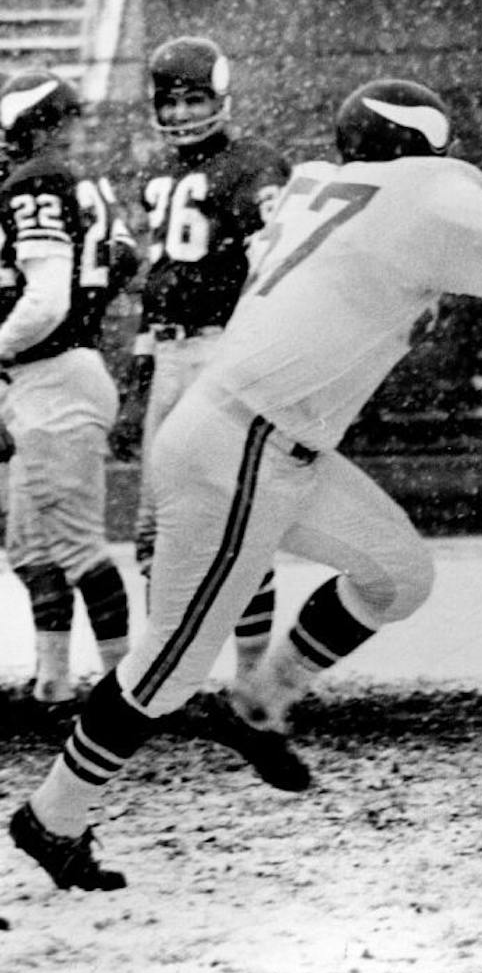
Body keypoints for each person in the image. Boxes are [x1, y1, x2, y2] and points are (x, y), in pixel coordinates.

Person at [8, 77, 482, 890]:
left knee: (397, 575)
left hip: (269, 439)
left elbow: (345, 280)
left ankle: (264, 696)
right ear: (421, 149)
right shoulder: (421, 198)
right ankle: (52, 815)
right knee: (169, 669)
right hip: (244, 447)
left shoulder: (316, 189)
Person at [110, 35, 291, 692]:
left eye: (195, 99)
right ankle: (166, 674)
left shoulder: (254, 165)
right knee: (156, 525)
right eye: (171, 101)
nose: (182, 113)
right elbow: (162, 277)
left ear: (221, 97)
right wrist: (142, 370)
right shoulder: (159, 172)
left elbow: (271, 268)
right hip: (169, 350)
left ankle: (249, 678)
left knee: (235, 520)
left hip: (222, 350)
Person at [0, 70, 138, 709]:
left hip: (53, 374)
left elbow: (47, 299)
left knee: (79, 545)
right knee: (31, 544)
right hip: (58, 372)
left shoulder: (37, 181)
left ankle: (126, 694)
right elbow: (123, 264)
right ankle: (54, 680)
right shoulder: (87, 186)